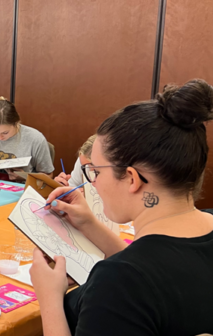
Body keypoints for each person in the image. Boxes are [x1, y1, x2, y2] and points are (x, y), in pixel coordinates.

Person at [30, 79, 213, 335]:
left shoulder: (119, 282)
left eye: (95, 171)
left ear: (131, 178)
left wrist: (49, 299)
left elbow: (137, 277)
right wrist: (89, 225)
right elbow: (156, 265)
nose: (92, 183)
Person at [0, 97, 54, 181]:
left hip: (22, 190)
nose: (0, 138)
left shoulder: (35, 138)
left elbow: (49, 176)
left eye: (5, 133)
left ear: (16, 123)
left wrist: (25, 176)